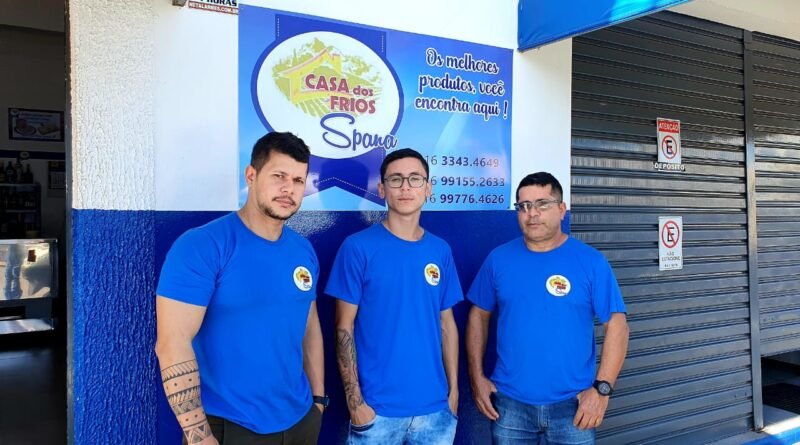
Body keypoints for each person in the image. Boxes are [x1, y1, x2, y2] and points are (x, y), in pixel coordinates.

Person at [155, 132, 326, 445]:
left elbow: (310, 324)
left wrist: (318, 400)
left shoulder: (303, 250)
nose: (289, 189)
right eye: (279, 176)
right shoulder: (202, 245)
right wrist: (198, 436)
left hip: (301, 421)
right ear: (251, 175)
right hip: (230, 427)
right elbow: (172, 343)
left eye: (298, 180)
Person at [466, 172, 629, 445]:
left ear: (562, 209)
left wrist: (602, 390)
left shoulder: (591, 262)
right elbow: (478, 315)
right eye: (524, 206)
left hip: (574, 405)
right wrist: (477, 378)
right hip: (510, 405)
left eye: (542, 204)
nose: (532, 213)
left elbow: (618, 326)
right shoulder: (498, 259)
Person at [325, 148, 462, 445]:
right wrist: (356, 403)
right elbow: (343, 327)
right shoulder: (357, 248)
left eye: (415, 179)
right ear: (381, 189)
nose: (405, 187)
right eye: (396, 179)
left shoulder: (440, 250)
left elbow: (447, 324)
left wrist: (453, 393)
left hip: (436, 413)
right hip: (377, 415)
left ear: (428, 188)